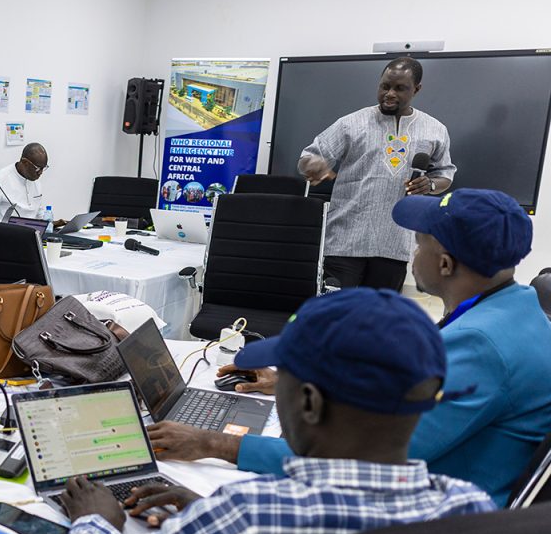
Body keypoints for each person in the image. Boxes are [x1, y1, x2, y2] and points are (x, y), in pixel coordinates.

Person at [51, 288, 493, 534]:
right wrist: (208, 519)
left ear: (309, 403)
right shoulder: (470, 511)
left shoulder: (251, 521)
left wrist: (95, 523)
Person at [148, 189, 551, 506]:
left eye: (418, 244)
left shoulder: (483, 344)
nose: (413, 254)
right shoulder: (513, 310)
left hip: (424, 527)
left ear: (445, 264)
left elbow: (371, 456)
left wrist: (216, 444)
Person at [299, 57, 455, 290]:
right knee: (338, 310)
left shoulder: (435, 130)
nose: (389, 94)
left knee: (379, 312)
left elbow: (445, 175)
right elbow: (308, 157)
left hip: (394, 245)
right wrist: (312, 165)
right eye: (385, 86)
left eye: (399, 88)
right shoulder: (351, 124)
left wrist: (430, 185)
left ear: (416, 89)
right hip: (344, 243)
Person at [0, 142, 52, 222]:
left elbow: (39, 214)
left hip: (33, 229)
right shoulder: (0, 180)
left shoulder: (34, 179)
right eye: (38, 168)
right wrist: (7, 225)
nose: (40, 172)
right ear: (25, 162)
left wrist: (49, 223)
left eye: (43, 168)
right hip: (6, 229)